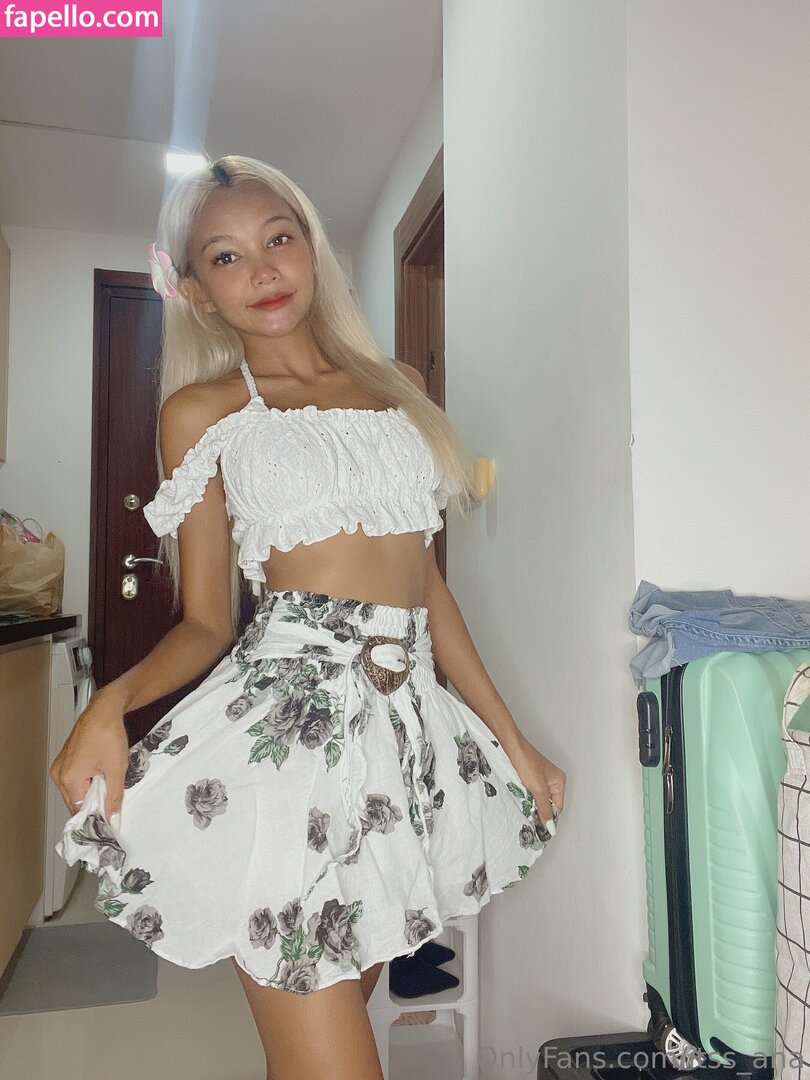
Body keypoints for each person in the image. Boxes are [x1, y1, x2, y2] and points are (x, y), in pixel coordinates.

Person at [50, 155, 567, 1080]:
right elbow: (207, 623)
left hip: (401, 744)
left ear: (311, 249)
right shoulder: (205, 413)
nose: (261, 270)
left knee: (318, 1047)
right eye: (226, 257)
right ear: (199, 292)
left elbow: (426, 590)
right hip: (285, 745)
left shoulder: (397, 384)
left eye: (278, 239)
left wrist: (514, 742)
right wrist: (109, 703)